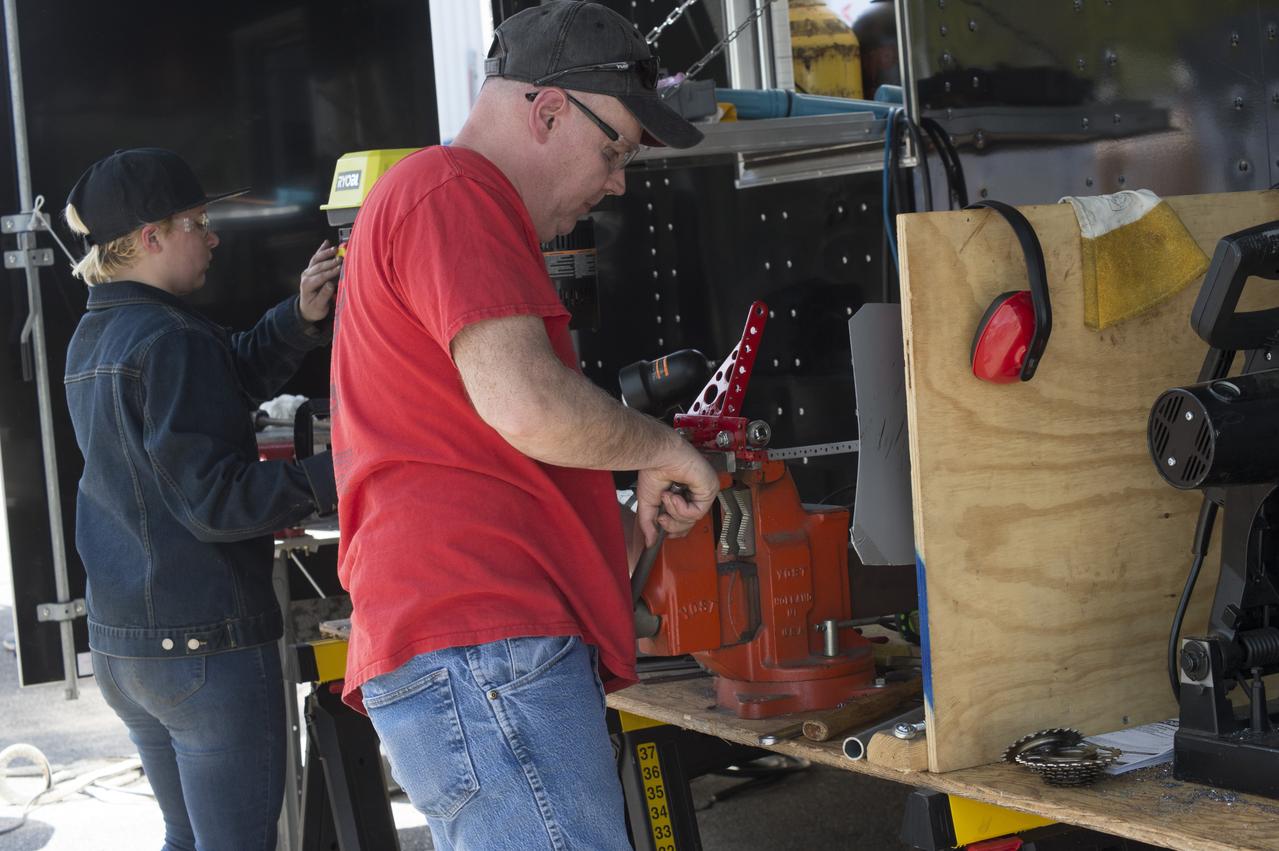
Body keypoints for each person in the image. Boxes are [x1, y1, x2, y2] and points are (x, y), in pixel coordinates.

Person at [329, 1, 721, 848]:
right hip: (482, 644)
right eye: (613, 148)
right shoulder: (453, 190)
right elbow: (528, 404)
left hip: (475, 643)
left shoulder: (448, 204)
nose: (617, 180)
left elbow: (485, 441)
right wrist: (661, 446)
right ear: (545, 112)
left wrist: (602, 526)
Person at [62, 147, 340, 851]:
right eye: (197, 222)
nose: (212, 235)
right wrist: (345, 470)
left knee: (187, 840)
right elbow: (217, 502)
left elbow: (221, 377)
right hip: (204, 649)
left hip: (128, 651)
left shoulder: (96, 332)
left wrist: (298, 316)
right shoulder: (169, 335)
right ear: (151, 236)